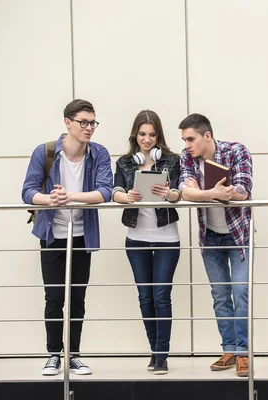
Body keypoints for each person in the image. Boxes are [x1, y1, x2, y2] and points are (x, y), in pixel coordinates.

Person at [21, 99, 113, 376]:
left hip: (83, 235)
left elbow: (105, 192)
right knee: (53, 297)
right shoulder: (46, 151)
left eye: (93, 122)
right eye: (83, 122)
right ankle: (53, 355)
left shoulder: (98, 153)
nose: (89, 128)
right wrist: (49, 199)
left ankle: (73, 355)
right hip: (52, 235)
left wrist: (70, 197)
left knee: (77, 298)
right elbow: (27, 192)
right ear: (68, 123)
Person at [178, 113, 253, 377]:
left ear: (207, 136)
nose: (187, 145)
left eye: (191, 139)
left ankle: (244, 353)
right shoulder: (187, 158)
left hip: (238, 235)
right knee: (220, 295)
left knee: (241, 291)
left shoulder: (236, 151)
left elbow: (243, 190)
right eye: (184, 140)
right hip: (209, 235)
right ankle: (229, 349)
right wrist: (212, 194)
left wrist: (210, 192)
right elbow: (185, 192)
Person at [112, 110, 181, 375]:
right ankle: (155, 350)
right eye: (142, 134)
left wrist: (170, 194)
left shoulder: (172, 161)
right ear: (135, 135)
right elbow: (114, 191)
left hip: (167, 237)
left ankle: (161, 356)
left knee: (161, 297)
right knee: (145, 298)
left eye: (152, 135)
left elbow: (179, 192)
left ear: (159, 136)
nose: (147, 139)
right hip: (136, 237)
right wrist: (125, 197)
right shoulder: (125, 162)